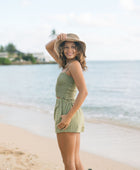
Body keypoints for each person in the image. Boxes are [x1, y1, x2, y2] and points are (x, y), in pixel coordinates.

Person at [45, 33, 88, 170]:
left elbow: (84, 92)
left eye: (73, 47)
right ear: (62, 50)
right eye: (66, 47)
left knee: (68, 162)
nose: (69, 50)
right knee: (74, 160)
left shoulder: (74, 65)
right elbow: (48, 47)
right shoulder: (67, 64)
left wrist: (68, 117)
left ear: (78, 49)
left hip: (68, 111)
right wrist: (58, 38)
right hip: (66, 109)